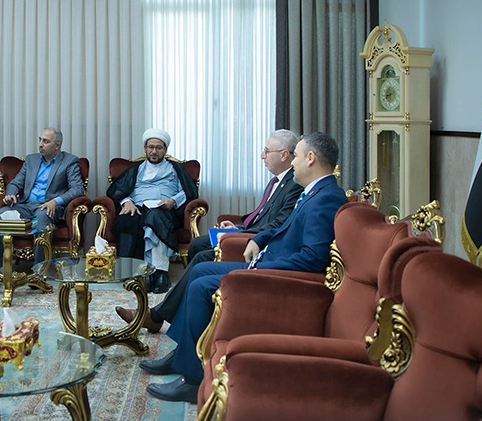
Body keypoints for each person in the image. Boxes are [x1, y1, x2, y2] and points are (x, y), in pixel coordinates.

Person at [142, 132, 348, 403]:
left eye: (296, 156)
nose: (293, 162)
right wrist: (260, 238)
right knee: (200, 271)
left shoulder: (326, 198)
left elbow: (313, 258)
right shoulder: (316, 191)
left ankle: (193, 381)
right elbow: (286, 227)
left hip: (278, 275)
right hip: (269, 261)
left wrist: (263, 267)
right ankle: (183, 355)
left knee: (202, 285)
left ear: (310, 158)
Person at [115, 129, 303, 333]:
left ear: (284, 155)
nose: (262, 156)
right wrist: (239, 227)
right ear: (145, 148)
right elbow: (264, 215)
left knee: (199, 256)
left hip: (256, 241)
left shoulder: (293, 184)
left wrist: (241, 233)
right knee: (196, 244)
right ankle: (187, 306)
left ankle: (159, 312)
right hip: (246, 232)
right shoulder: (278, 181)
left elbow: (279, 223)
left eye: (266, 151)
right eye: (150, 147)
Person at [107, 128, 199, 294]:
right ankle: (138, 271)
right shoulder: (136, 169)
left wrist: (173, 201)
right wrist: (126, 202)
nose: (154, 151)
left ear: (165, 149)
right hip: (138, 208)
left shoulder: (175, 169)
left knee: (155, 217)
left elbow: (188, 191)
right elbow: (117, 190)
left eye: (158, 148)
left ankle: (158, 272)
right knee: (128, 221)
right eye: (151, 147)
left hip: (164, 209)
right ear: (145, 148)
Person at [0, 127, 84, 266]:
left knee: (42, 217)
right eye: (40, 140)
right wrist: (10, 194)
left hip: (48, 207)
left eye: (46, 141)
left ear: (57, 145)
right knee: (0, 215)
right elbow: (15, 183)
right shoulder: (31, 160)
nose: (40, 144)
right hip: (25, 205)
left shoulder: (69, 161)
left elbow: (77, 189)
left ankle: (40, 268)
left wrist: (55, 201)